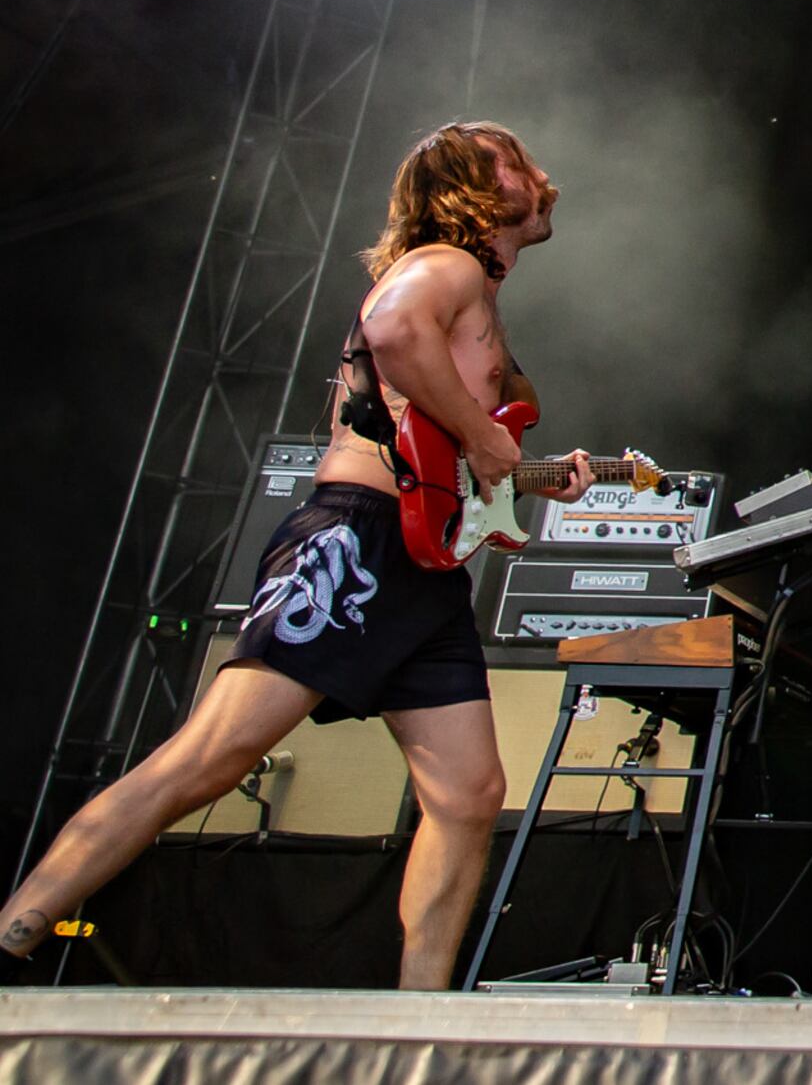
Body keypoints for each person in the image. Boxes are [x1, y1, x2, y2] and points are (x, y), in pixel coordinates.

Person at [3, 122, 587, 988]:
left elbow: (450, 453)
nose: (540, 174)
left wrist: (523, 469)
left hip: (422, 569)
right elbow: (391, 332)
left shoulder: (470, 293)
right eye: (515, 162)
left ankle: (417, 1020)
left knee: (467, 797)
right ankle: (17, 926)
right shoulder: (446, 266)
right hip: (356, 543)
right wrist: (480, 435)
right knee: (211, 756)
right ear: (474, 186)